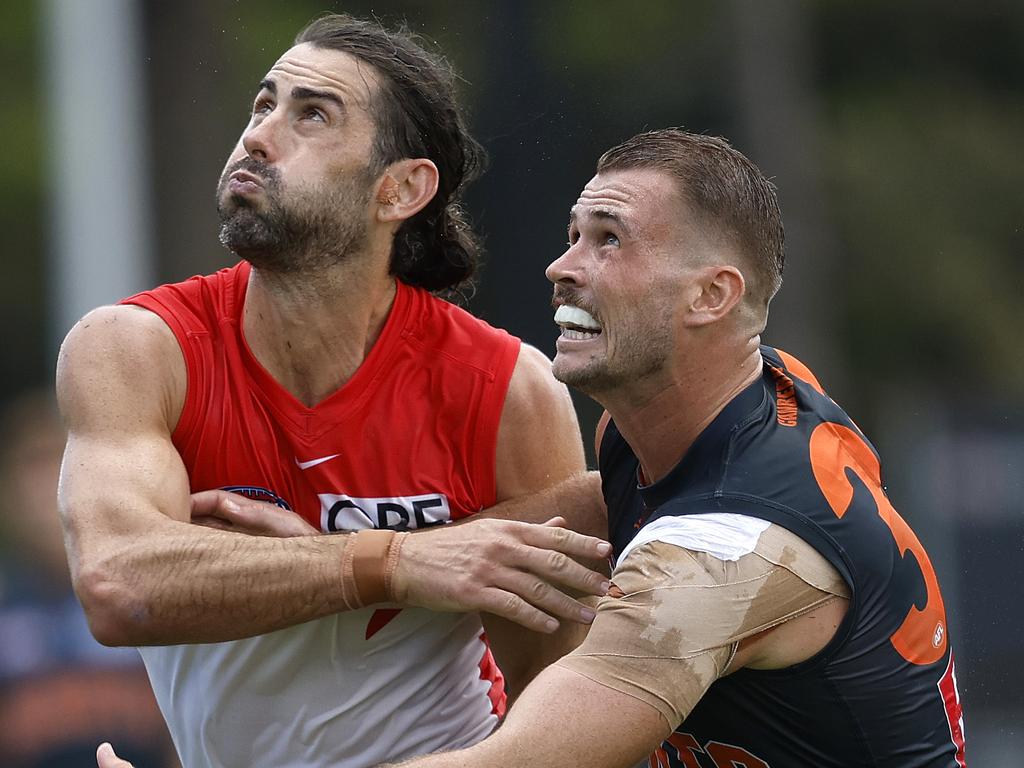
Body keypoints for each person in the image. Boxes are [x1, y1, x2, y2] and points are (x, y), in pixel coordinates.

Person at [59, 13, 611, 768]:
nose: (259, 134)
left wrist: (335, 561)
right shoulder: (136, 348)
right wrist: (398, 564)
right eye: (263, 104)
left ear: (400, 190)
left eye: (311, 114)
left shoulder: (505, 388)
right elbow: (117, 583)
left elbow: (559, 702)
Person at [359, 129, 962, 767]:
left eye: (610, 240)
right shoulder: (713, 406)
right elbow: (594, 511)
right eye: (574, 237)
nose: (560, 268)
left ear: (712, 296)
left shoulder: (718, 557)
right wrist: (357, 558)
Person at [0, 391, 176, 768]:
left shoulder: (150, 596)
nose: (46, 490)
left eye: (59, 468)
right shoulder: (7, 606)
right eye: (32, 470)